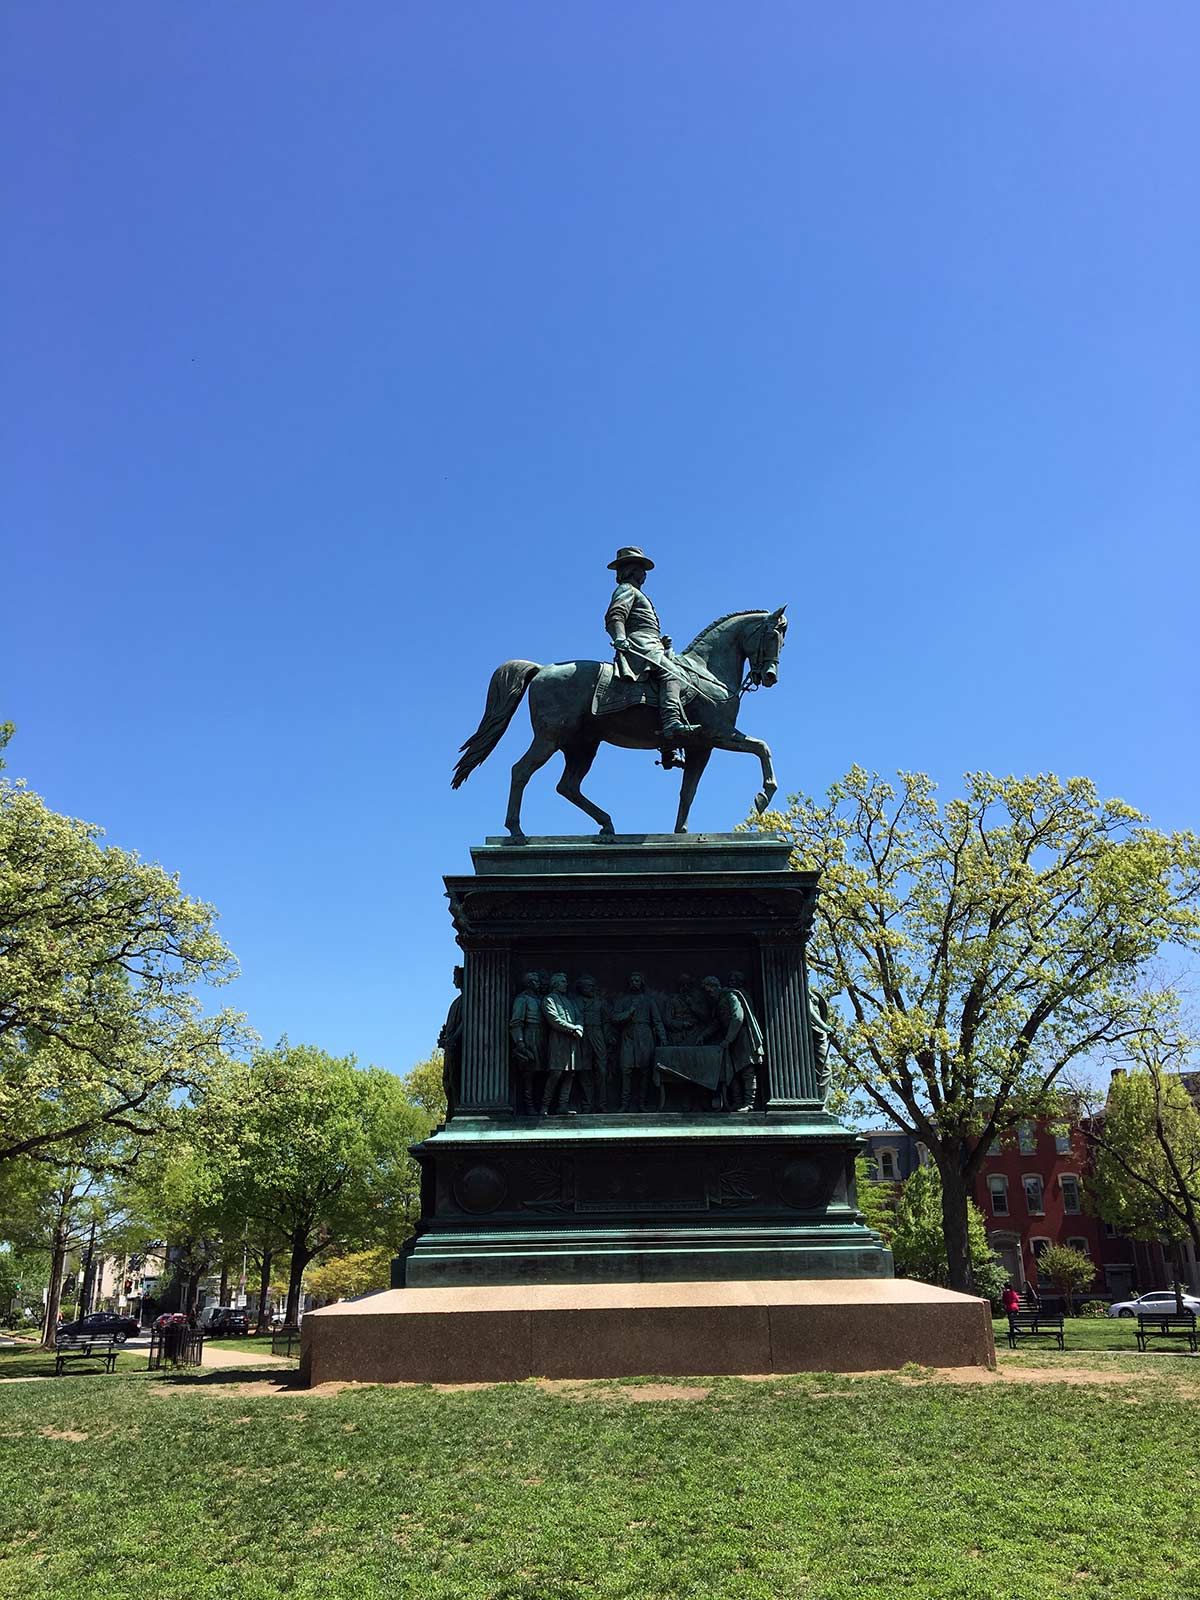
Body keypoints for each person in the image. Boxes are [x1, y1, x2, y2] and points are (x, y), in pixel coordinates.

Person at [603, 546, 725, 747]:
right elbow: (615, 615)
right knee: (672, 674)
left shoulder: (637, 593)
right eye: (641, 569)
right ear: (632, 570)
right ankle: (671, 723)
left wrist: (661, 642)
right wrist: (619, 637)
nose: (644, 574)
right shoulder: (626, 589)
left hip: (652, 643)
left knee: (684, 673)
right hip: (639, 643)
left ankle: (669, 745)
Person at [700, 975, 765, 1111]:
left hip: (742, 1038)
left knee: (747, 1070)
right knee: (732, 1071)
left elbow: (738, 1017)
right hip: (731, 1040)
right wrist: (703, 1035)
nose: (709, 995)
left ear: (716, 987)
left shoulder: (730, 996)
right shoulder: (719, 1003)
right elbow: (717, 1023)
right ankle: (738, 1101)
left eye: (710, 991)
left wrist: (728, 1039)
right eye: (707, 993)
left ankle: (749, 1103)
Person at [611, 971, 668, 1111]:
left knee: (644, 1071)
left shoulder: (649, 1001)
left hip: (645, 1037)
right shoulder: (623, 1000)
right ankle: (624, 1104)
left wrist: (663, 1039)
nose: (635, 983)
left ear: (641, 983)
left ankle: (642, 1104)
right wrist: (628, 1013)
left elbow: (657, 1021)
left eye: (637, 980)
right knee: (626, 1070)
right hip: (628, 1037)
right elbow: (614, 1017)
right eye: (632, 980)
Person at [540, 972, 584, 1115]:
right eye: (563, 982)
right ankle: (545, 1106)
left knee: (570, 1073)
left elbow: (579, 1016)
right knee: (556, 1073)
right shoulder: (549, 999)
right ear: (555, 984)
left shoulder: (569, 1001)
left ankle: (562, 1105)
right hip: (558, 1041)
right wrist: (574, 1028)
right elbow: (554, 1020)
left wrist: (580, 1028)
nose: (566, 984)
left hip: (572, 1042)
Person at [510, 970, 546, 1116]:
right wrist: (520, 1043)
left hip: (543, 1036)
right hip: (530, 1036)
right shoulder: (522, 999)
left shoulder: (541, 999)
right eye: (536, 981)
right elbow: (516, 1022)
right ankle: (528, 1105)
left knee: (543, 1071)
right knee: (529, 1074)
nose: (539, 984)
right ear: (530, 983)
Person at [574, 974, 609, 1113]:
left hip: (598, 1034)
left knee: (602, 1070)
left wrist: (607, 1038)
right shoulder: (575, 1002)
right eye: (589, 986)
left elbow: (606, 1021)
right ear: (581, 988)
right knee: (584, 1070)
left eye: (593, 986)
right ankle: (587, 1104)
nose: (592, 989)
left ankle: (602, 1104)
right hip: (582, 1035)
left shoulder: (601, 1002)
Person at [437, 965, 464, 1121]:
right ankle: (452, 1111)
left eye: (456, 977)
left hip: (458, 1049)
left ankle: (457, 1111)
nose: (454, 981)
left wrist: (453, 1039)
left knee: (454, 1080)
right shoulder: (456, 1002)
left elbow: (464, 1023)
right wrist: (445, 1037)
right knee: (447, 1080)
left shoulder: (467, 1000)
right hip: (450, 1047)